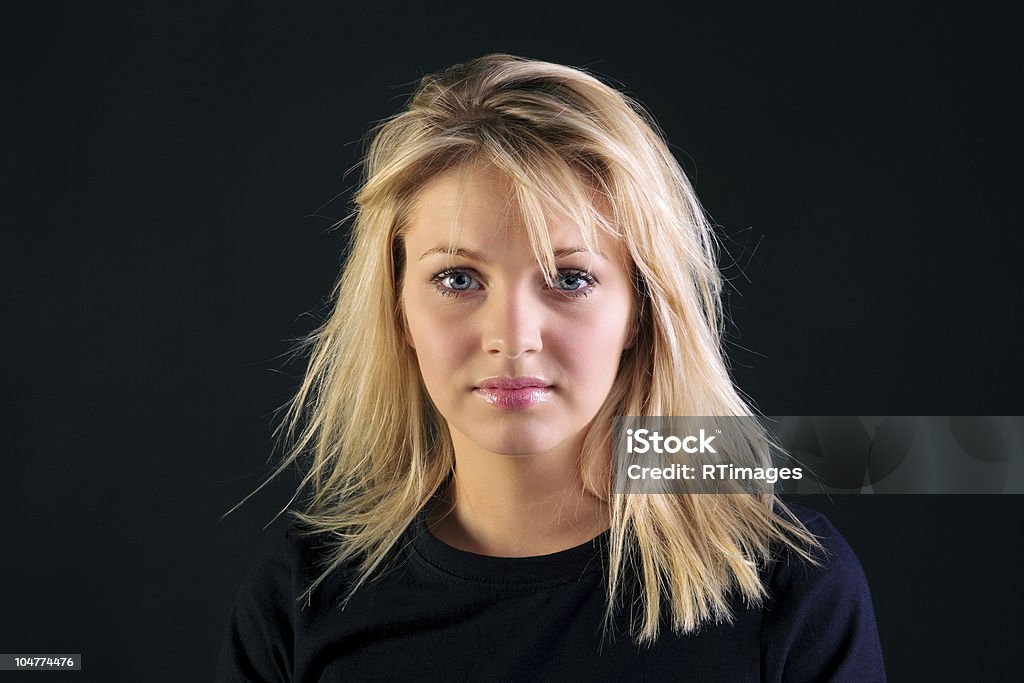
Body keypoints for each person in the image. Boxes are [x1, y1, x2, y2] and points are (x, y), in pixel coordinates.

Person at [216, 54, 885, 681]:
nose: (512, 337)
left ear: (642, 312)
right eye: (457, 277)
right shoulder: (299, 601)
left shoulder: (787, 587)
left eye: (569, 278)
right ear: (397, 310)